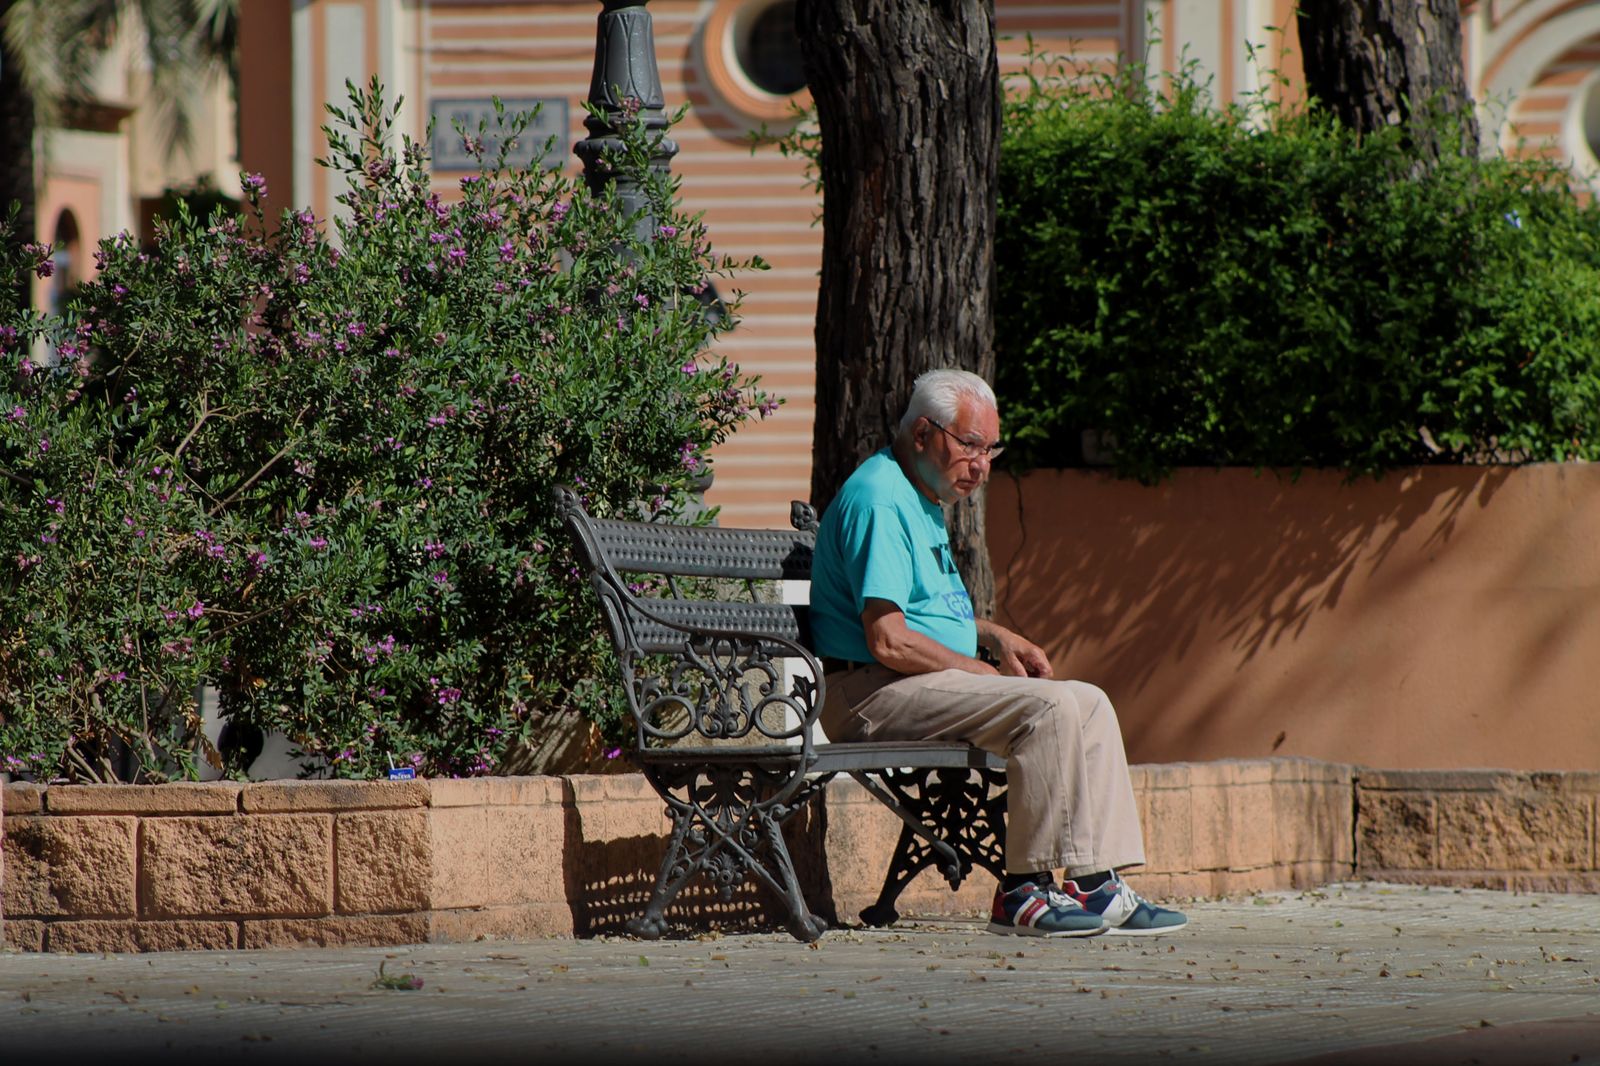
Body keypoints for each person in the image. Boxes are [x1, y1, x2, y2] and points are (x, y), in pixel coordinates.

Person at [809, 368, 1186, 938]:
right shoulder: (882, 499)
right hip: (867, 693)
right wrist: (981, 671)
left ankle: (1095, 883)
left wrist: (991, 634)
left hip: (904, 683)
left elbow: (921, 610)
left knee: (1088, 703)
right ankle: (1023, 891)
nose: (982, 465)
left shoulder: (921, 497)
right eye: (969, 446)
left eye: (990, 449)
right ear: (921, 435)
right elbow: (888, 637)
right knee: (1047, 708)